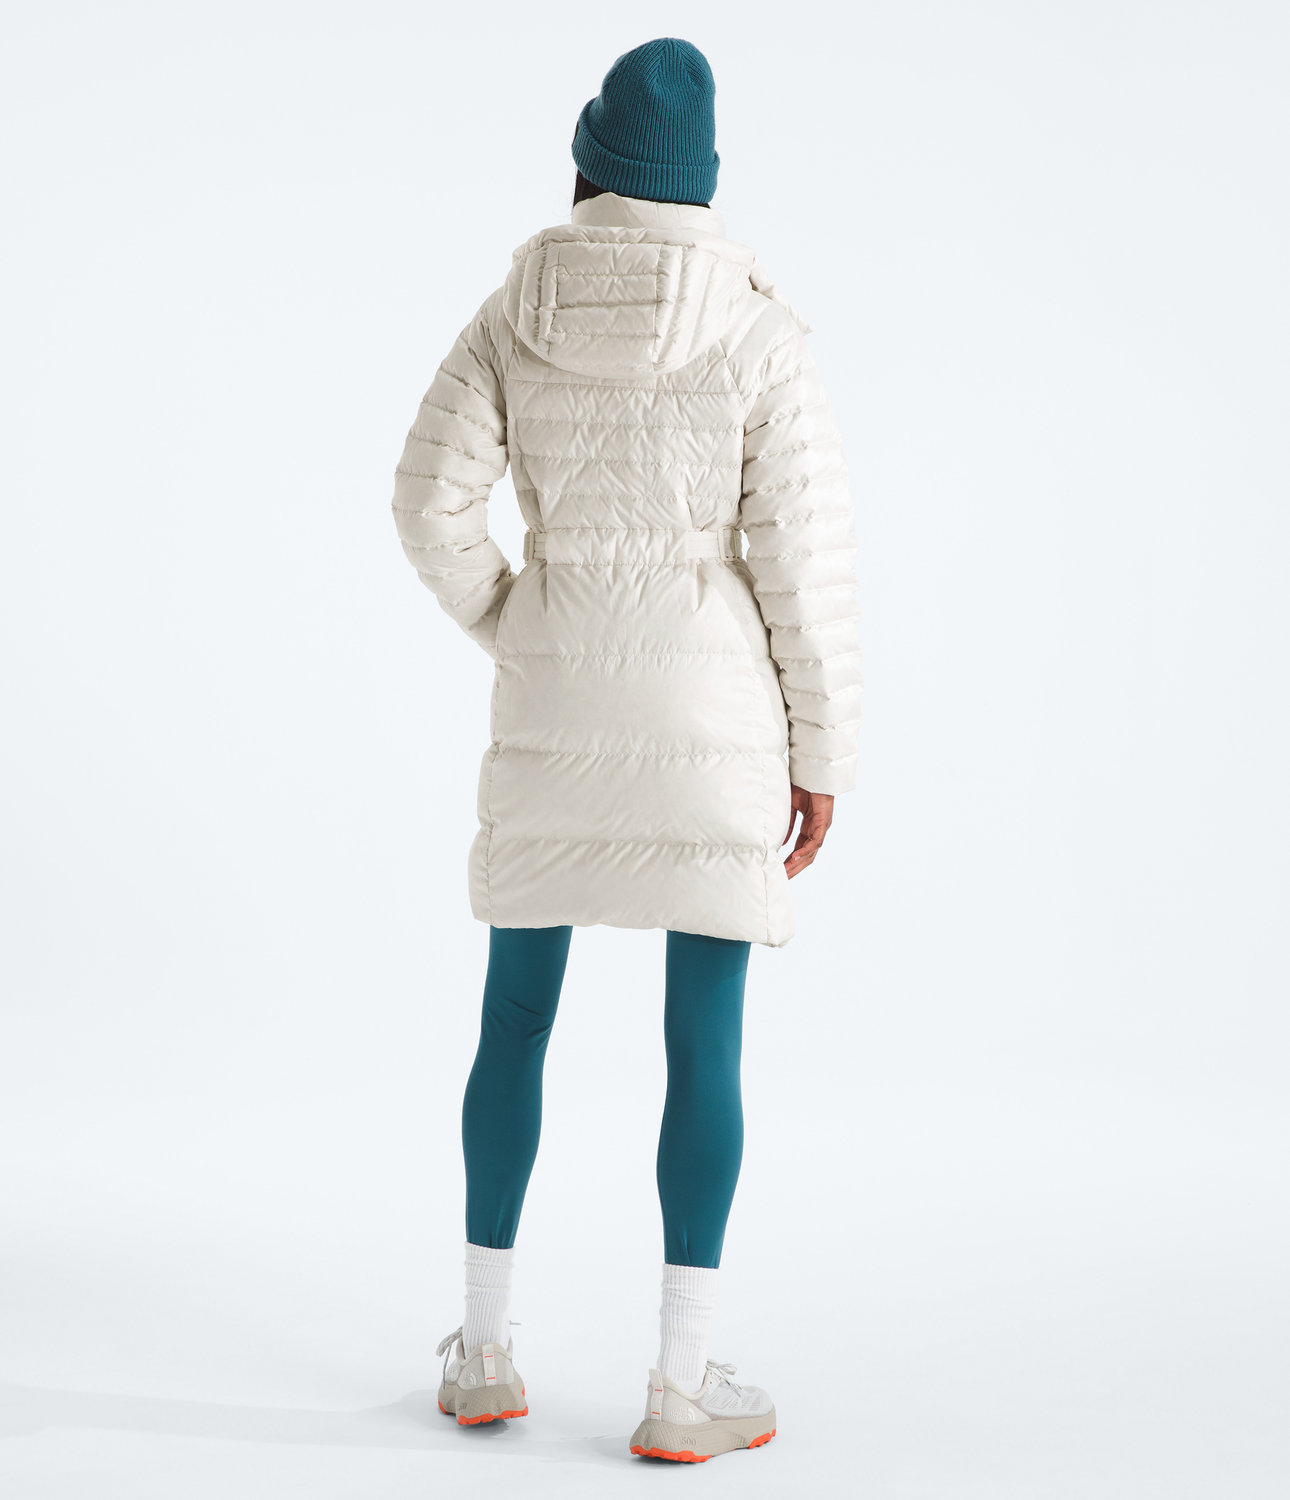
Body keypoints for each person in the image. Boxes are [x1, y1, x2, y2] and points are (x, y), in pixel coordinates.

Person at [392, 36, 860, 1463]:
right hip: (715, 726)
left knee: (514, 1019)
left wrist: (521, 622)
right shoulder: (760, 328)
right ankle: (679, 1383)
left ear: (589, 166)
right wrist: (822, 750)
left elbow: (425, 505)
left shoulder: (510, 312)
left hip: (555, 705)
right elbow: (801, 567)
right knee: (701, 1038)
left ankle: (482, 1353)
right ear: (702, 181)